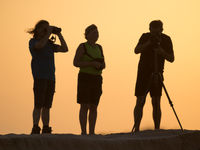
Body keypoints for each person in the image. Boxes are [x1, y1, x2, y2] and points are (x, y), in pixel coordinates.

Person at [132, 20, 175, 132]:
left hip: (157, 73)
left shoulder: (166, 39)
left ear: (162, 30)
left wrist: (161, 52)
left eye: (158, 31)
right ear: (150, 29)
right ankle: (136, 128)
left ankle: (157, 128)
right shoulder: (145, 37)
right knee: (140, 100)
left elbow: (171, 58)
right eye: (153, 31)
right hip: (143, 73)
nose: (156, 34)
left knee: (156, 101)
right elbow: (136, 50)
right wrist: (148, 43)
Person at [28, 20, 68, 134]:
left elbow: (65, 49)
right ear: (38, 29)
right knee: (38, 104)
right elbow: (40, 46)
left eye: (47, 28)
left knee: (47, 106)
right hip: (40, 77)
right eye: (44, 28)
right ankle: (35, 126)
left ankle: (46, 126)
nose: (47, 30)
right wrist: (48, 33)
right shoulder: (33, 42)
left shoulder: (50, 44)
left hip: (51, 77)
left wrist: (59, 34)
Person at [73, 24, 105, 135]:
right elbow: (75, 62)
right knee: (84, 105)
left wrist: (99, 65)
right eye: (94, 33)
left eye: (97, 33)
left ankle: (92, 132)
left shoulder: (99, 47)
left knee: (94, 106)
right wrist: (91, 63)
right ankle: (83, 131)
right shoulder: (82, 46)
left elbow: (104, 64)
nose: (96, 35)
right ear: (87, 35)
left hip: (97, 78)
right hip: (85, 77)